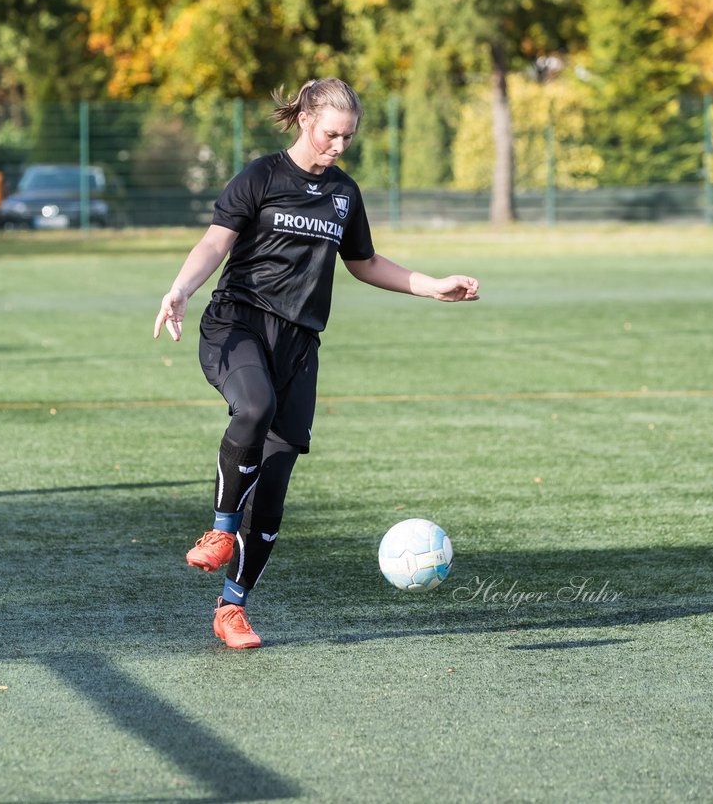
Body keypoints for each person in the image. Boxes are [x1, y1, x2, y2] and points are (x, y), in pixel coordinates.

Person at [152, 78, 479, 649]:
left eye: (348, 137)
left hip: (300, 346)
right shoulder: (261, 177)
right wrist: (179, 288)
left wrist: (433, 287)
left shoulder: (344, 194)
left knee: (275, 488)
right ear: (305, 119)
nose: (339, 146)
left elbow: (366, 262)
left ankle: (232, 609)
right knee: (255, 407)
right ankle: (221, 530)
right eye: (332, 133)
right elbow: (214, 243)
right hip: (238, 325)